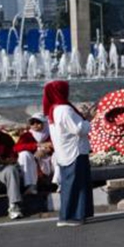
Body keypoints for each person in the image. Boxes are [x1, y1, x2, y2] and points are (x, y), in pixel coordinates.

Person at [45, 80, 93, 226]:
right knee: (75, 184)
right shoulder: (65, 109)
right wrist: (89, 120)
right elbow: (78, 129)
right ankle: (70, 216)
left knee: (72, 184)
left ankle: (74, 214)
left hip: (65, 151)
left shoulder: (54, 108)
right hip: (75, 151)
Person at [14, 117, 54, 193]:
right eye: (32, 123)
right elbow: (16, 148)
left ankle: (60, 183)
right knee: (24, 154)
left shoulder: (51, 133)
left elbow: (58, 145)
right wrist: (37, 145)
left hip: (49, 161)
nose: (35, 125)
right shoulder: (27, 135)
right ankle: (31, 185)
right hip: (34, 161)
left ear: (44, 123)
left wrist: (48, 150)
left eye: (38, 122)